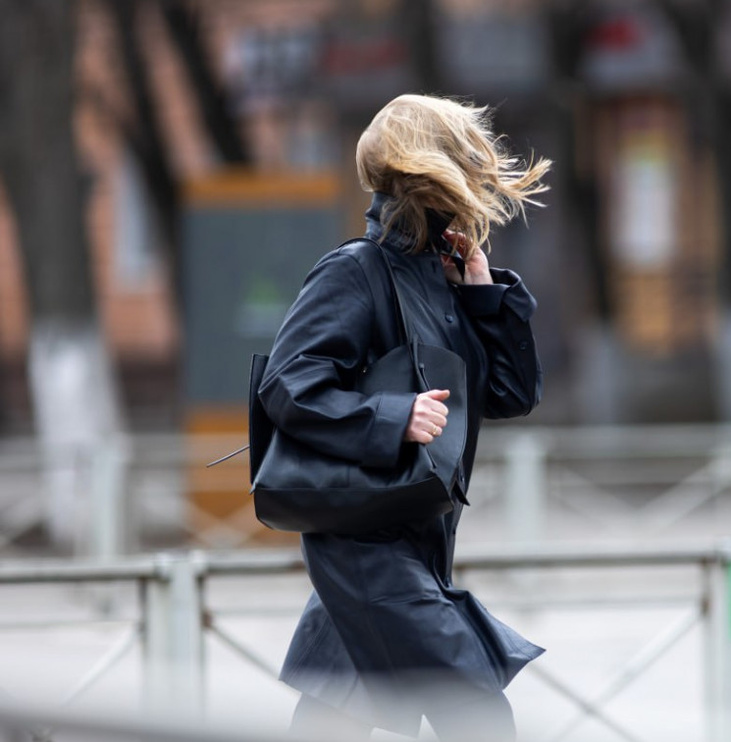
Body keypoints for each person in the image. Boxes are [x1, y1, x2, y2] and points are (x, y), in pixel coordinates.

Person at [259, 94, 550, 741]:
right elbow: (287, 383)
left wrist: (482, 294)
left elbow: (509, 394)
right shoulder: (355, 271)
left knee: (333, 719)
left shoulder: (443, 278)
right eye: (465, 161)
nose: (477, 176)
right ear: (427, 170)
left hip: (416, 537)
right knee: (474, 708)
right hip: (364, 541)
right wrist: (393, 417)